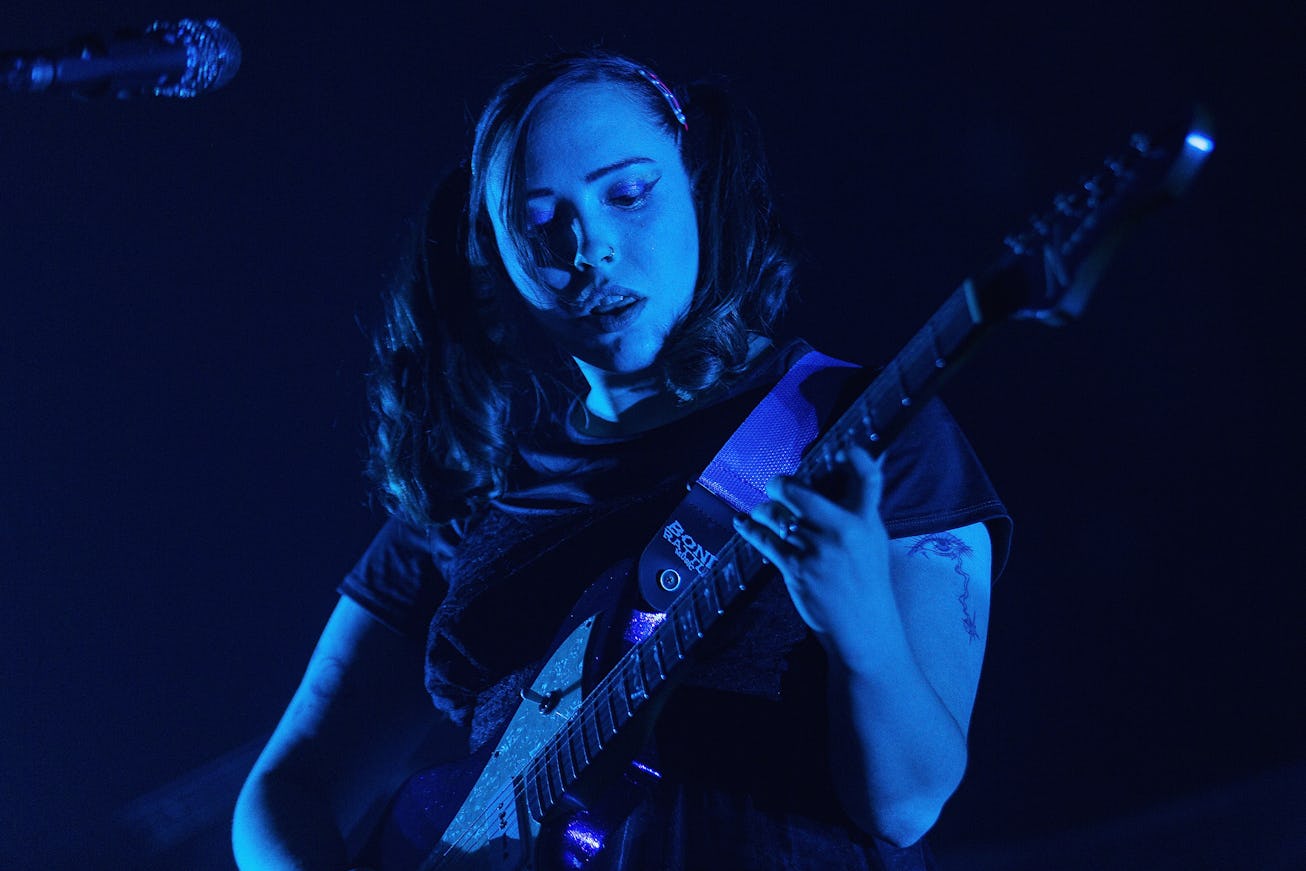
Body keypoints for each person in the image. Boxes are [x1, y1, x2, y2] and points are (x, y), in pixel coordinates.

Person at [232, 51, 1011, 871]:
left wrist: (861, 622)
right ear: (498, 254)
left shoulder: (858, 430)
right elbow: (287, 787)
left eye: (629, 193)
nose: (591, 247)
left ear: (698, 181)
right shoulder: (471, 498)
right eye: (541, 222)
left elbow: (908, 801)